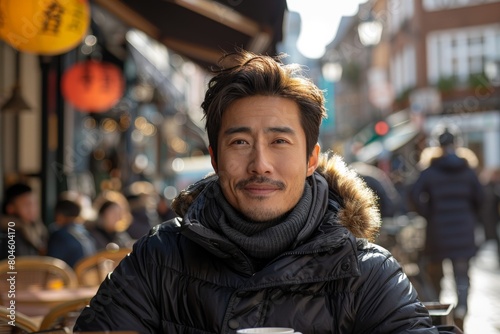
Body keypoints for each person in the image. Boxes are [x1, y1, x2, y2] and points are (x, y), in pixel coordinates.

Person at [75, 51, 448, 333]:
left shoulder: (366, 273)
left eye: (279, 141)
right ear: (216, 159)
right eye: (239, 141)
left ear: (311, 159)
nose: (260, 164)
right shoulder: (159, 258)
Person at [410, 128, 484, 330]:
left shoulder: (429, 170)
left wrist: (429, 213)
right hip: (464, 230)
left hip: (438, 232)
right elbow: (481, 197)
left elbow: (414, 195)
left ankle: (441, 313)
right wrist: (470, 216)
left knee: (436, 275)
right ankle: (461, 309)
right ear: (457, 144)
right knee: (462, 275)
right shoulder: (468, 169)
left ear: (438, 146)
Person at [0, 182, 48, 259]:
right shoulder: (11, 233)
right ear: (10, 208)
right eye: (26, 205)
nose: (32, 209)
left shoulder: (37, 229)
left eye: (34, 204)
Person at [47, 198, 96, 267]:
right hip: (89, 276)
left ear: (60, 215)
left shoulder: (59, 235)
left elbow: (51, 265)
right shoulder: (86, 233)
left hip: (71, 277)